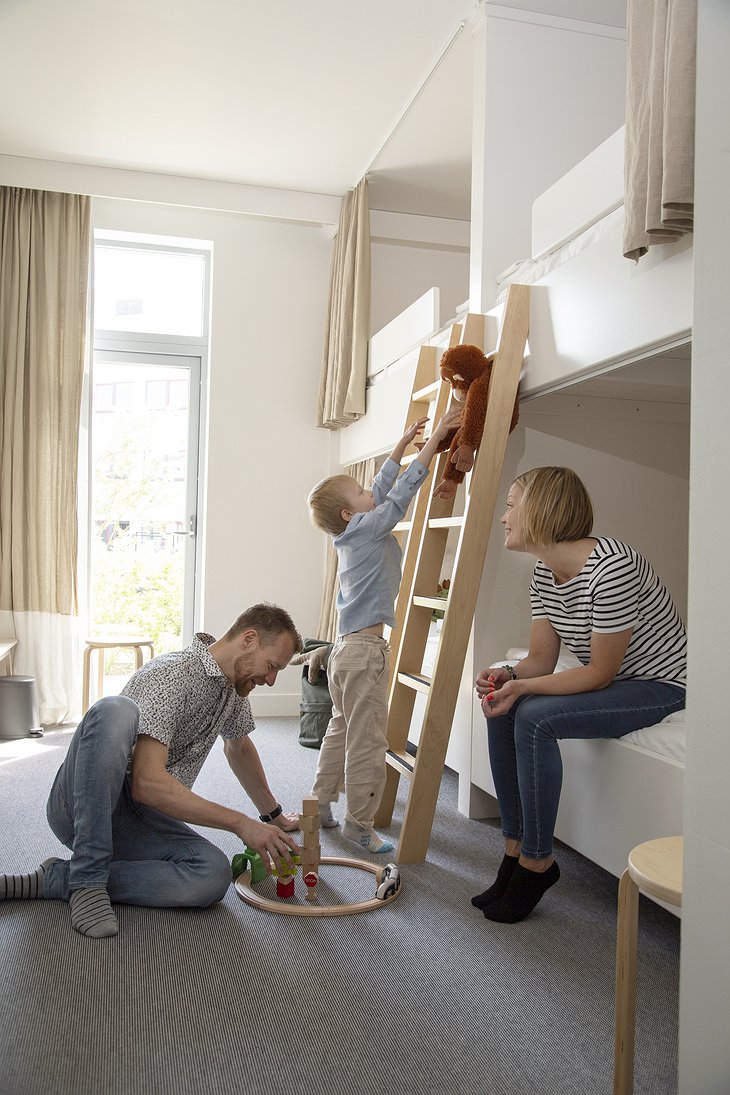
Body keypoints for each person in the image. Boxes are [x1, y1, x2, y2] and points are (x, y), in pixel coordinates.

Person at [0, 603, 303, 938]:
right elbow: (146, 783)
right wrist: (240, 823)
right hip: (85, 805)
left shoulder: (233, 689)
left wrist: (271, 815)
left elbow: (239, 748)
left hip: (140, 819)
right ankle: (87, 879)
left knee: (212, 875)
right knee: (116, 710)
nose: (272, 680)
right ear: (248, 639)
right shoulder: (171, 674)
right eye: (272, 666)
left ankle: (59, 878)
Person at [473, 467, 686, 923]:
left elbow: (600, 673)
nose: (504, 516)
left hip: (660, 686)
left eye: (511, 504)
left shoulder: (612, 568)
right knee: (503, 707)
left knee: (534, 716)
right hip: (616, 680)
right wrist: (505, 674)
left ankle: (536, 861)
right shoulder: (545, 573)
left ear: (541, 509)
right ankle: (513, 848)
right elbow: (540, 662)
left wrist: (523, 687)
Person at [307, 405, 462, 854]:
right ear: (346, 512)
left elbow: (379, 487)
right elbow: (397, 497)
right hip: (364, 653)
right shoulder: (369, 528)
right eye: (358, 491)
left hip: (343, 652)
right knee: (369, 739)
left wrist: (401, 441)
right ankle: (359, 821)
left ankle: (320, 805)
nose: (367, 490)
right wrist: (433, 443)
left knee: (341, 727)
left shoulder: (354, 531)